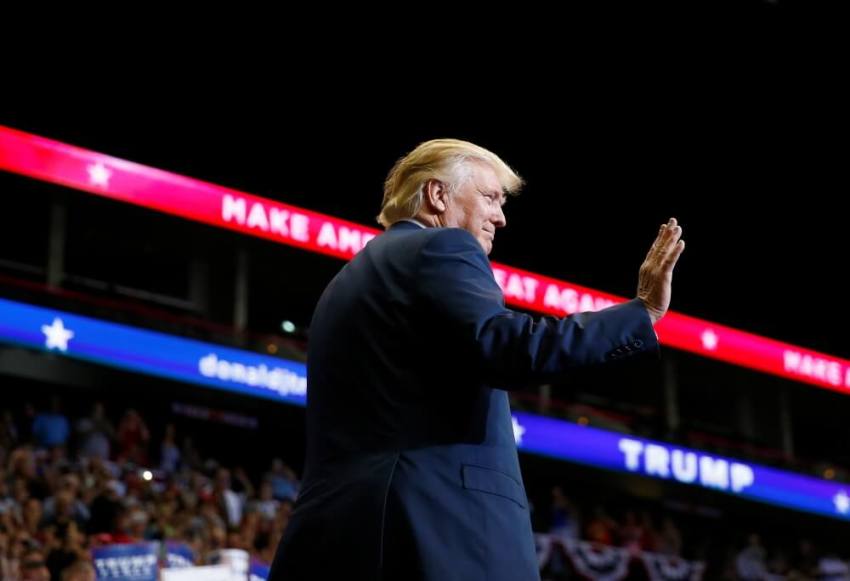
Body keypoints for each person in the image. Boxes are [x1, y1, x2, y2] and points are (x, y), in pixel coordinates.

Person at [269, 138, 685, 580]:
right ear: (437, 194)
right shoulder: (441, 247)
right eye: (490, 197)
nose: (500, 217)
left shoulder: (345, 282)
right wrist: (643, 313)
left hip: (337, 534)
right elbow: (510, 348)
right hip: (433, 530)